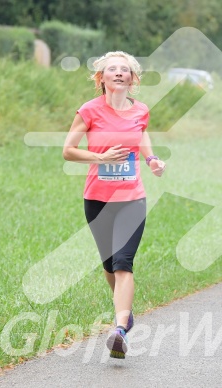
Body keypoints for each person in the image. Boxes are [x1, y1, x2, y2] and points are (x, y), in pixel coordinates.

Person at [63, 51, 166, 360]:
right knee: (109, 265)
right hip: (96, 198)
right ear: (102, 78)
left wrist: (151, 159)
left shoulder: (141, 111)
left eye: (125, 70)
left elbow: (142, 134)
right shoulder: (89, 110)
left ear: (132, 79)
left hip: (132, 198)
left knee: (123, 263)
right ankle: (125, 312)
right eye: (112, 69)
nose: (119, 73)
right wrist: (100, 158)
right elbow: (68, 150)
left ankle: (120, 329)